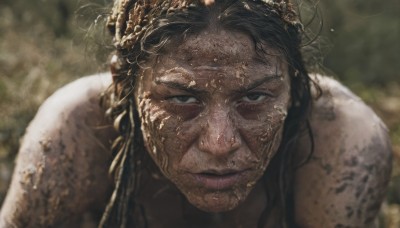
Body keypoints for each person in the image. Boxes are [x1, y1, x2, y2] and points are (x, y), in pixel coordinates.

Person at [0, 0, 393, 227]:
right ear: (123, 84)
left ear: (293, 86)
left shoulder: (341, 144)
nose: (219, 144)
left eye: (254, 98)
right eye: (183, 100)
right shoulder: (77, 133)